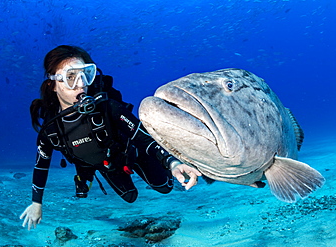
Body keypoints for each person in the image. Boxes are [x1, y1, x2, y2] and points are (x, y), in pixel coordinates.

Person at [20, 45, 201, 230]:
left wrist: (173, 163)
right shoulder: (51, 130)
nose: (81, 84)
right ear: (53, 85)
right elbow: (41, 165)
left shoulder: (107, 107)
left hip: (128, 151)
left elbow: (142, 136)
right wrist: (36, 204)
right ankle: (87, 176)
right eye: (71, 77)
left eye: (86, 75)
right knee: (130, 197)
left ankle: (139, 160)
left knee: (164, 187)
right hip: (106, 165)